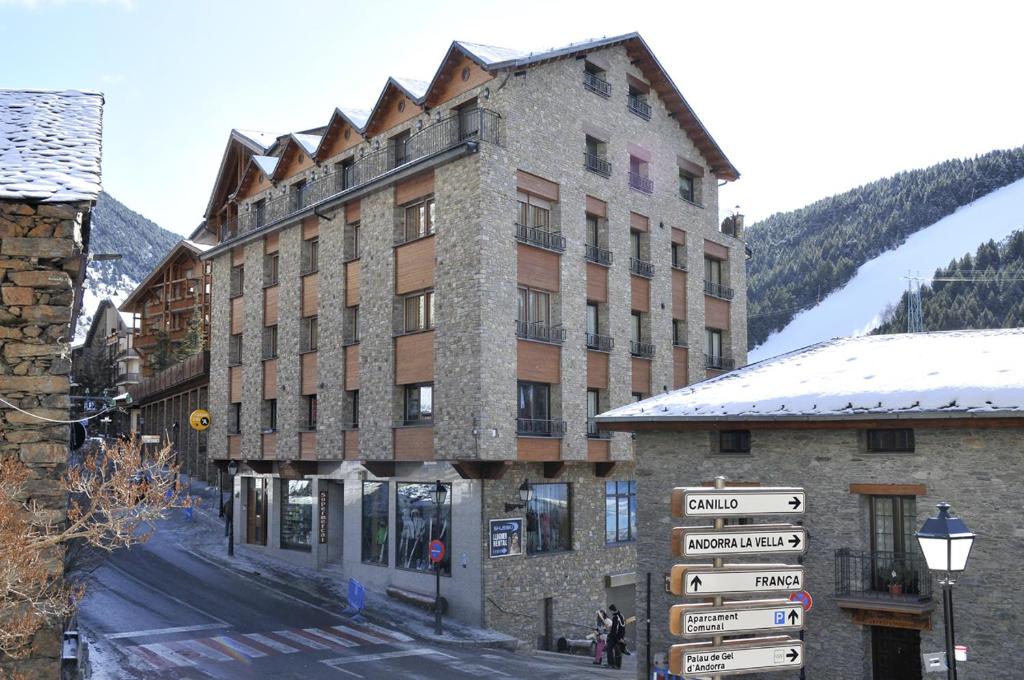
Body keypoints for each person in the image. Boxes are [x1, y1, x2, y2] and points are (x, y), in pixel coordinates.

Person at [606, 604, 625, 669]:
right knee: (618, 651)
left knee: (609, 649)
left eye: (610, 611)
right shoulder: (621, 616)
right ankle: (617, 665)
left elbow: (614, 628)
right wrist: (622, 637)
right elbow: (623, 627)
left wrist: (610, 636)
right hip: (620, 636)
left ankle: (611, 664)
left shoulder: (615, 617)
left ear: (612, 610)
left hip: (615, 637)